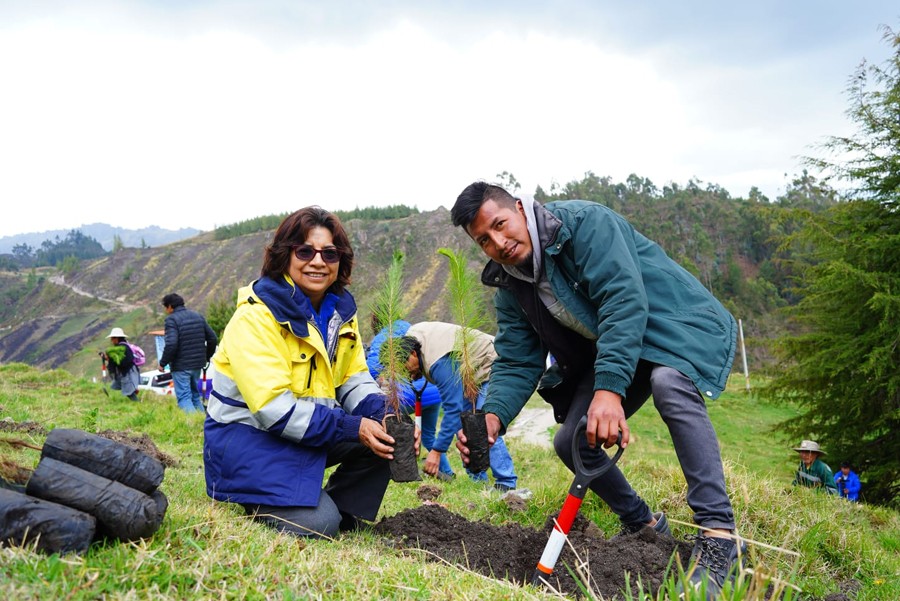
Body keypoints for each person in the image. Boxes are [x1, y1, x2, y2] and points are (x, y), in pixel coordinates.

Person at [450, 182, 741, 598]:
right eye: (484, 240)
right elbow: (517, 360)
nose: (498, 242)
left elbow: (622, 301)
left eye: (500, 225)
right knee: (570, 440)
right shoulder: (510, 284)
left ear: (519, 207)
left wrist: (609, 390)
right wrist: (493, 414)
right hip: (619, 346)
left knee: (669, 383)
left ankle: (718, 538)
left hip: (672, 325)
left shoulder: (586, 224)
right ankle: (643, 525)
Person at [203, 206, 414, 539]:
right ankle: (268, 500)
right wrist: (353, 426)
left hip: (300, 435)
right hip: (249, 441)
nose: (318, 261)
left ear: (340, 261)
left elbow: (353, 378)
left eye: (329, 253)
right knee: (318, 524)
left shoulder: (339, 313)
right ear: (284, 256)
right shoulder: (256, 318)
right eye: (305, 251)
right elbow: (274, 410)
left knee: (383, 437)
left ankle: (338, 509)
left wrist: (383, 413)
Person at [393, 322, 518, 491]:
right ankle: (479, 484)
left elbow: (453, 409)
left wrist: (436, 451)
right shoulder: (412, 340)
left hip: (491, 365)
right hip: (468, 373)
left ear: (413, 354)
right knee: (465, 427)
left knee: (484, 427)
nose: (406, 373)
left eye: (405, 367)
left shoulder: (438, 363)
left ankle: (506, 483)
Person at [365, 317, 449, 479]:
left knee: (388, 424)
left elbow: (371, 370)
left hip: (407, 394)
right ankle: (445, 471)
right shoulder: (412, 330)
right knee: (429, 434)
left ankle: (400, 468)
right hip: (433, 392)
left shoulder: (384, 336)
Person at [158, 293, 219, 413]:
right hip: (197, 364)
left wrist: (163, 363)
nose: (166, 311)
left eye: (166, 307)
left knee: (184, 397)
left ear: (170, 306)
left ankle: (192, 425)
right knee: (195, 395)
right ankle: (202, 422)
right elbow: (212, 338)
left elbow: (171, 344)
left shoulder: (172, 320)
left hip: (181, 366)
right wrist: (207, 357)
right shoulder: (197, 316)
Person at [102, 327, 140, 401]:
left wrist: (110, 358)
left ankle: (138, 404)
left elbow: (122, 362)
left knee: (128, 391)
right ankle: (133, 390)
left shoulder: (123, 347)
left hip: (128, 372)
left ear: (117, 338)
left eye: (112, 338)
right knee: (116, 386)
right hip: (125, 372)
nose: (111, 340)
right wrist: (109, 358)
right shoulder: (121, 347)